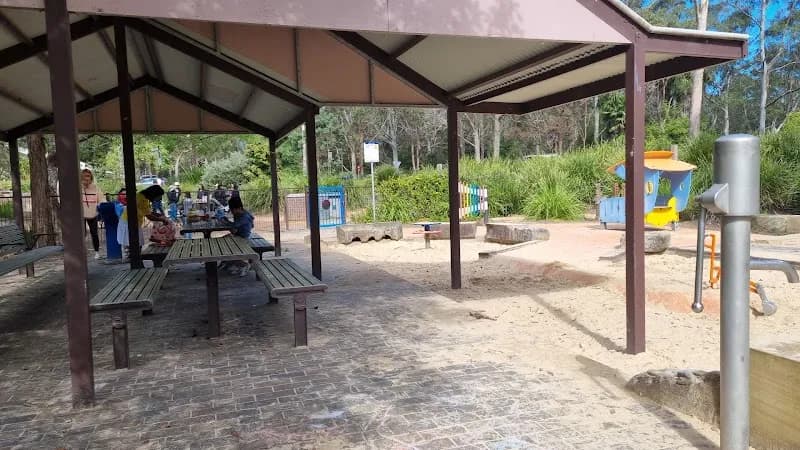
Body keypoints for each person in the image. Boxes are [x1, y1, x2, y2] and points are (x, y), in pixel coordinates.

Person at [221, 196, 254, 277]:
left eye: (233, 210)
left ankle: (243, 265)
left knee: (225, 245)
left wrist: (225, 221)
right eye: (231, 210)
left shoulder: (244, 217)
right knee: (221, 242)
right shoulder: (238, 214)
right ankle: (230, 263)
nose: (232, 212)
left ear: (239, 208)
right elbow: (234, 230)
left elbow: (233, 228)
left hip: (244, 238)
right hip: (238, 236)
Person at [80, 169, 101, 259]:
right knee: (81, 233)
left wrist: (99, 207)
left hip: (92, 213)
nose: (87, 178)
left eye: (88, 176)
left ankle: (97, 252)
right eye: (85, 176)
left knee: (94, 233)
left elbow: (101, 199)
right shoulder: (78, 187)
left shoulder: (95, 187)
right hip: (81, 213)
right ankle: (81, 251)